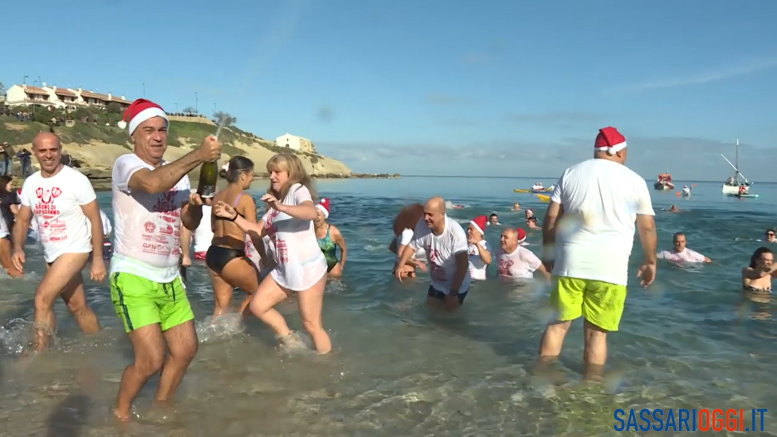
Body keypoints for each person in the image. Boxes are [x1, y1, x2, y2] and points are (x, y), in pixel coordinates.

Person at [109, 98, 220, 421]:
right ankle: (119, 415)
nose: (157, 137)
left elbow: (188, 222)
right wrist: (199, 155)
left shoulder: (178, 174)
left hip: (170, 277)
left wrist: (195, 206)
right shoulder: (126, 164)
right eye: (148, 131)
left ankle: (161, 408)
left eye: (162, 130)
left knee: (185, 350)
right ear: (134, 135)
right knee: (150, 360)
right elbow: (152, 183)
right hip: (133, 274)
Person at [539, 126, 656, 379]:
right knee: (596, 334)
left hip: (570, 262)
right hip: (611, 268)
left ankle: (541, 379)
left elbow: (551, 218)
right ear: (619, 152)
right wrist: (650, 261)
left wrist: (548, 254)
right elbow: (646, 227)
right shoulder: (635, 181)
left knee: (557, 326)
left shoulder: (571, 173)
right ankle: (591, 388)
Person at [212, 153, 331, 354]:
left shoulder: (297, 190)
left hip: (308, 268)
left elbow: (310, 212)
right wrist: (233, 216)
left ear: (290, 173)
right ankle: (290, 340)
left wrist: (280, 206)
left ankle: (326, 364)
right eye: (270, 172)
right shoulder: (276, 204)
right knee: (258, 306)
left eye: (277, 172)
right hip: (284, 269)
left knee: (311, 325)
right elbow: (257, 230)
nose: (272, 176)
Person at [11, 132, 104, 350]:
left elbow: (95, 219)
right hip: (51, 252)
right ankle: (99, 345)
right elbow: (23, 220)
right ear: (34, 152)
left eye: (53, 150)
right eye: (43, 151)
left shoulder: (76, 180)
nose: (48, 155)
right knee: (77, 307)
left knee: (42, 299)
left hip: (76, 249)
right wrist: (17, 248)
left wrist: (98, 258)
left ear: (60, 150)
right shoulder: (31, 183)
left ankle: (38, 354)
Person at [205, 156, 260, 317]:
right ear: (243, 176)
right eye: (251, 175)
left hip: (213, 254)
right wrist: (265, 256)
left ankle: (214, 331)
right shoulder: (245, 199)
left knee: (220, 307)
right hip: (232, 255)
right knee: (258, 293)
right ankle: (238, 324)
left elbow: (213, 227)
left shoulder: (217, 197)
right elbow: (254, 232)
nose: (253, 179)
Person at [395, 196, 471, 312]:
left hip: (457, 284)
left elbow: (463, 265)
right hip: (437, 282)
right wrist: (400, 265)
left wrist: (453, 293)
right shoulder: (422, 225)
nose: (426, 218)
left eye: (430, 214)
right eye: (424, 213)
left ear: (442, 214)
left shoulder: (455, 232)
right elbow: (411, 247)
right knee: (430, 312)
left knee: (448, 317)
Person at [389, 203, 427, 279]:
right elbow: (400, 253)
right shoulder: (409, 233)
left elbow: (392, 247)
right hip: (406, 271)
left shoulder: (402, 231)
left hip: (401, 269)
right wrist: (417, 262)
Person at [314, 198, 347, 277]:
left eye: (318, 215)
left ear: (324, 216)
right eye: (314, 215)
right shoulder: (310, 231)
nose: (316, 217)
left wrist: (341, 266)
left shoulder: (334, 232)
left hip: (333, 269)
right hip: (316, 269)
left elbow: (343, 249)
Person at [466, 215, 492, 281]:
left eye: (471, 229)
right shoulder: (465, 244)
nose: (468, 231)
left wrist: (477, 244)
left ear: (480, 233)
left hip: (477, 281)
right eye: (467, 229)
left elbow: (488, 260)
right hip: (465, 280)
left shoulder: (484, 244)